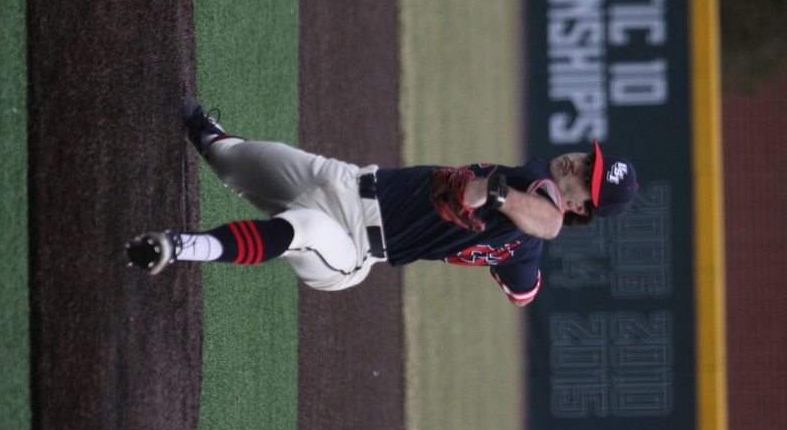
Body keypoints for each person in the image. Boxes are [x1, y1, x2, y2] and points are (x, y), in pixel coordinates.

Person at [126, 98, 637, 306]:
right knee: (231, 159)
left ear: (580, 210)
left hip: (350, 249)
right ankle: (191, 120)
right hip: (347, 183)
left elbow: (545, 224)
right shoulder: (527, 234)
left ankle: (179, 247)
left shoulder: (537, 196)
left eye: (588, 180)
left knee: (299, 229)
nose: (578, 165)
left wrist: (500, 195)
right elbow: (523, 295)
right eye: (589, 159)